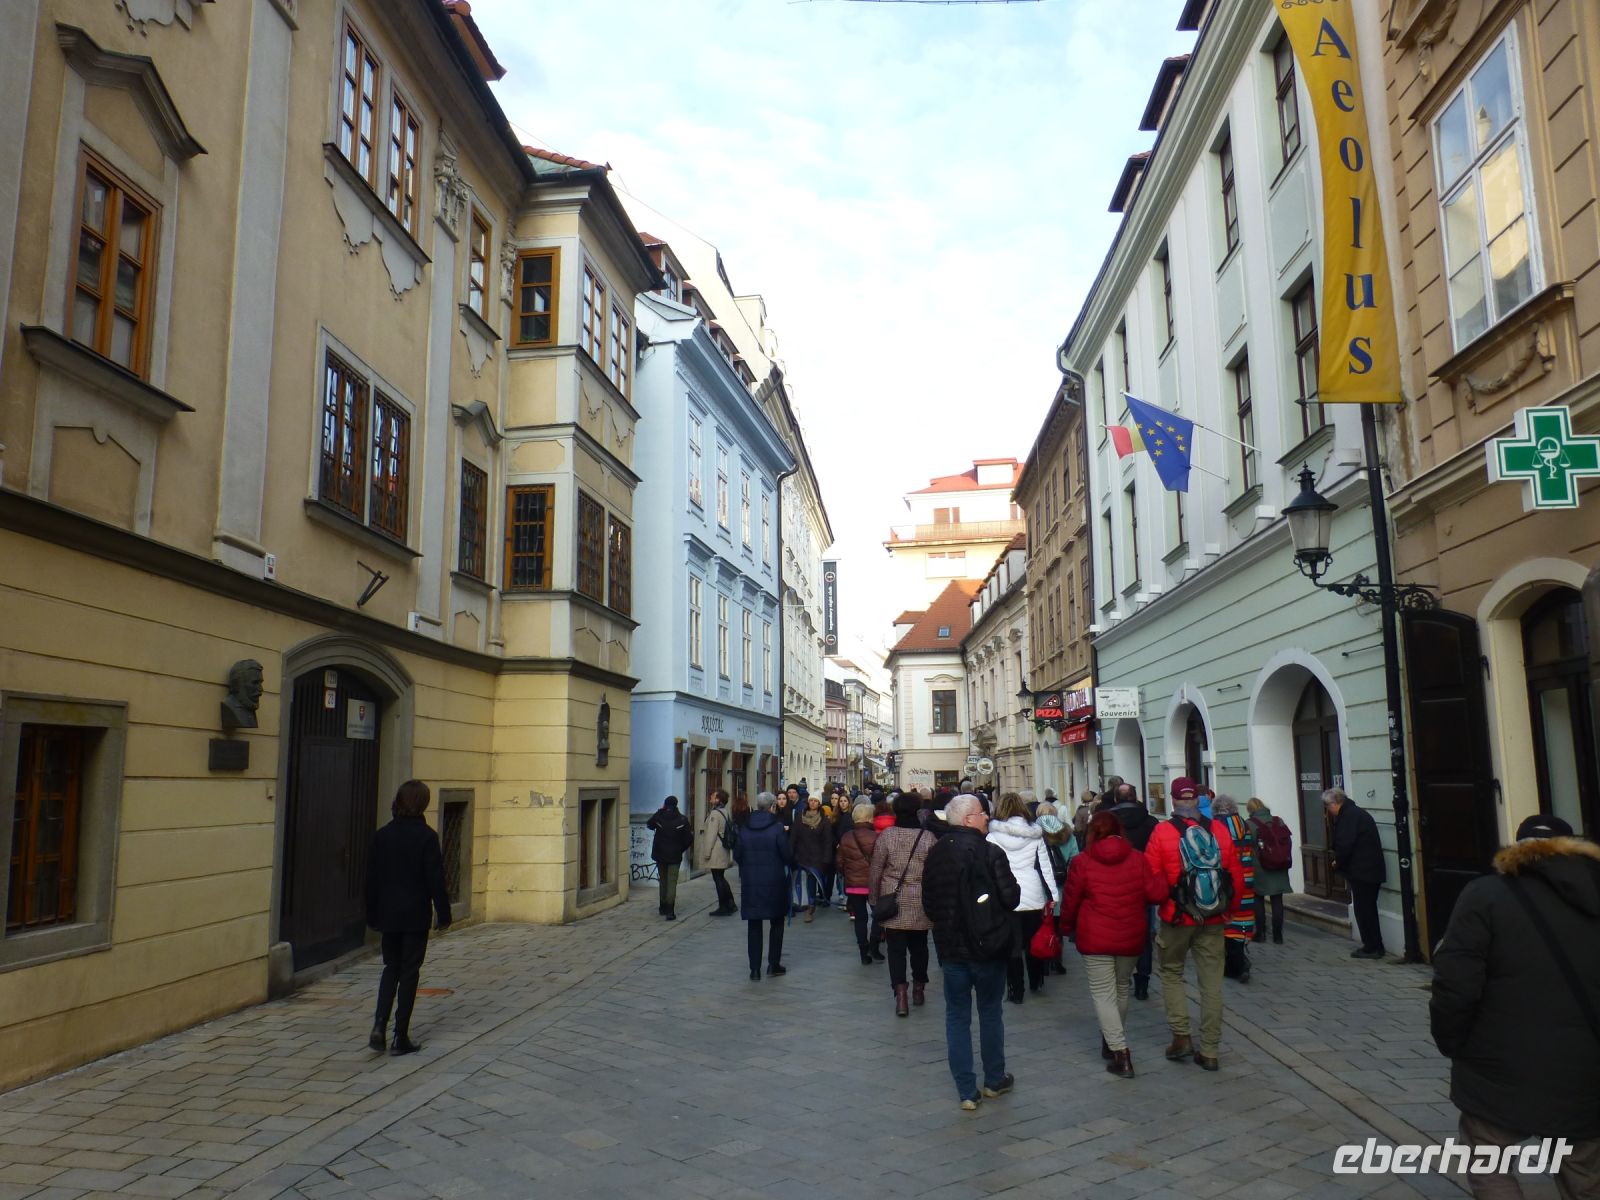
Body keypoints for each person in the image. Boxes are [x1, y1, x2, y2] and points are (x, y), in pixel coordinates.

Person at [1431, 814, 1600, 1199]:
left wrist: (1451, 1041)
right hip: (1585, 1064)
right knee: (1584, 1167)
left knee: (1489, 1160)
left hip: (1499, 1062)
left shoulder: (1484, 894)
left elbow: (1455, 982)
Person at [921, 794, 1021, 1111]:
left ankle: (966, 1090)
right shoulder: (989, 851)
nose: (987, 818)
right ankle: (993, 1079)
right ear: (967, 819)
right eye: (982, 813)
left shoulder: (935, 854)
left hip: (952, 948)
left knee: (957, 1017)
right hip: (988, 947)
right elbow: (1012, 897)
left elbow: (929, 904)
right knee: (990, 1012)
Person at [1144, 776, 1245, 1071]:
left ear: (1174, 801)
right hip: (1213, 916)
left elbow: (1152, 881)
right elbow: (1235, 876)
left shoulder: (1162, 832)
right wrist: (1228, 910)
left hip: (1177, 918)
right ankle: (1211, 1050)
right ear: (1198, 801)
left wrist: (1164, 905)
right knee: (1211, 983)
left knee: (1172, 973)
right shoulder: (1219, 831)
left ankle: (1182, 1036)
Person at [1060, 811, 1167, 1078]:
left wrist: (1064, 927)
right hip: (1131, 933)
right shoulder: (1138, 858)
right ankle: (1112, 1040)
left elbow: (1071, 899)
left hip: (1095, 935)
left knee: (1102, 993)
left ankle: (1121, 1052)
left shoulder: (1082, 861)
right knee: (1120, 988)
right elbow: (1155, 894)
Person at [365, 779, 451, 1056]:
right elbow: (435, 879)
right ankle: (400, 1036)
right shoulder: (427, 837)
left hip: (388, 914)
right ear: (422, 803)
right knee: (409, 971)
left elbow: (372, 879)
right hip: (415, 914)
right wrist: (444, 914)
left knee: (390, 968)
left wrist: (371, 913)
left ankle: (379, 1024)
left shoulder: (382, 835)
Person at [986, 792, 1061, 1002]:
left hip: (1005, 891)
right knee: (1033, 940)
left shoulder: (992, 837)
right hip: (1032, 891)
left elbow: (989, 868)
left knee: (1012, 944)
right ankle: (1036, 979)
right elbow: (1045, 866)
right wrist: (1053, 894)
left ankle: (1015, 989)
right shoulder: (1035, 835)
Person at [868, 792, 934, 1018]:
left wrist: (874, 898)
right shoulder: (927, 837)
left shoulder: (887, 836)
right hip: (919, 899)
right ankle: (918, 987)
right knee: (920, 947)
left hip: (893, 899)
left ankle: (901, 995)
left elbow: (876, 870)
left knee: (896, 951)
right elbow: (934, 873)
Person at [1106, 783, 1160, 999]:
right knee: (1145, 934)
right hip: (1143, 883)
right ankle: (1143, 981)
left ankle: (1122, 976)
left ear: (1117, 799)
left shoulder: (1109, 821)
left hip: (1114, 884)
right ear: (1136, 797)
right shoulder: (1151, 821)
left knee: (1117, 930)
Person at [733, 792, 794, 980]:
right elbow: (787, 854)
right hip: (774, 882)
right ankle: (773, 964)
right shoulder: (776, 829)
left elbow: (737, 855)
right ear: (772, 807)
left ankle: (754, 969)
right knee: (776, 922)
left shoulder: (745, 828)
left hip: (751, 882)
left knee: (754, 924)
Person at [1326, 787, 1386, 958]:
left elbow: (1345, 845)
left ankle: (1372, 947)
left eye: (1328, 806)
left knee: (1364, 909)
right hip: (1369, 870)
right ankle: (1374, 945)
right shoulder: (1356, 813)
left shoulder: (1349, 817)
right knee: (1367, 908)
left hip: (1362, 871)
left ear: (1335, 803)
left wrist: (1338, 862)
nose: (1329, 811)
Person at [1211, 795, 1256, 982]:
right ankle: (1240, 961)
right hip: (1247, 877)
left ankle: (1236, 964)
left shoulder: (1215, 826)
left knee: (1226, 920)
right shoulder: (1243, 825)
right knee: (1242, 918)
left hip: (1226, 878)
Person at [836, 801, 880, 965]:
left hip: (854, 885)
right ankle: (874, 944)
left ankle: (863, 951)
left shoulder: (846, 837)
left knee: (860, 918)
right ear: (870, 818)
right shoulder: (876, 837)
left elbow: (839, 862)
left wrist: (847, 875)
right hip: (874, 884)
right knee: (878, 915)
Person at [1035, 802, 1077, 975]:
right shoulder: (1067, 834)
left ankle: (1042, 961)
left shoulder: (1033, 833)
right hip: (1061, 886)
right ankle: (1057, 959)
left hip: (1040, 887)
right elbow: (1075, 859)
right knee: (1058, 926)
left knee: (1042, 925)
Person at [1246, 798, 1290, 944]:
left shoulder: (1250, 824)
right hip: (1279, 865)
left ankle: (1261, 933)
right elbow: (1287, 840)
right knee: (1277, 900)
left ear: (1250, 810)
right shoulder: (1279, 821)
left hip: (1259, 866)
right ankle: (1278, 936)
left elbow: (1247, 844)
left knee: (1258, 899)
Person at [646, 796, 692, 920]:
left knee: (663, 881)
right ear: (676, 805)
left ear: (665, 805)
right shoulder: (682, 819)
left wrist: (659, 811)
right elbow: (688, 839)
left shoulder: (659, 816)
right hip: (675, 855)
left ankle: (662, 906)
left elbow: (649, 824)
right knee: (672, 882)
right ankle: (670, 911)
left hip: (660, 854)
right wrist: (680, 849)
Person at [789, 794, 833, 921]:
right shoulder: (799, 817)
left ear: (819, 803)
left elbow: (828, 841)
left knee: (812, 882)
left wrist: (826, 858)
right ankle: (801, 903)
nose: (813, 803)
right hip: (801, 855)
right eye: (811, 801)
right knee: (801, 882)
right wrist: (790, 853)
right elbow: (793, 837)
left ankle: (810, 907)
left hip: (817, 858)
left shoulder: (824, 821)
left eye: (815, 801)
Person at [698, 789, 737, 916]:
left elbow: (711, 835)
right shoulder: (724, 811)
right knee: (721, 877)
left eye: (713, 796)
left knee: (718, 878)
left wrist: (707, 853)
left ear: (718, 799)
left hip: (716, 850)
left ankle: (724, 906)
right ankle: (730, 903)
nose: (710, 797)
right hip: (722, 849)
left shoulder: (715, 813)